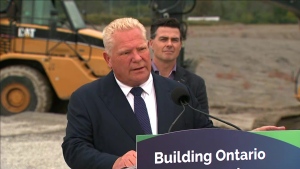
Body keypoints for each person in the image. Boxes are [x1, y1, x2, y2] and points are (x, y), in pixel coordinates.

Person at [62, 17, 285, 169]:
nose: (137, 58)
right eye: (126, 53)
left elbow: (205, 134)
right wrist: (114, 162)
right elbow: (74, 148)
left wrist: (248, 139)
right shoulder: (87, 98)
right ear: (108, 59)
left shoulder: (177, 92)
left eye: (141, 49)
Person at [149, 18, 209, 114]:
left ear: (180, 45)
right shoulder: (137, 78)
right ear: (151, 44)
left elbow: (203, 125)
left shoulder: (196, 84)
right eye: (163, 39)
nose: (169, 44)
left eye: (174, 40)